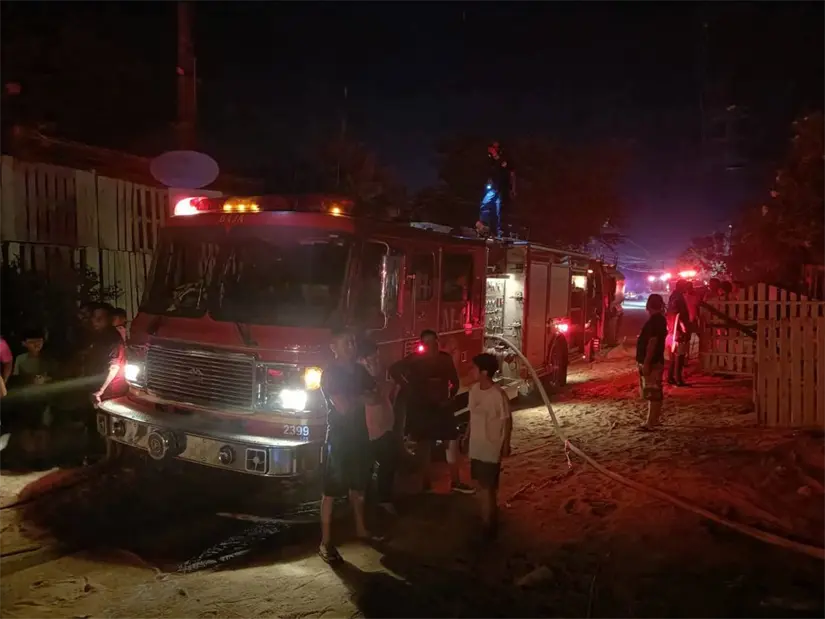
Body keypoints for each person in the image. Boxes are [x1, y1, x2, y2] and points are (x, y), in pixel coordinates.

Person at [318, 328, 382, 565]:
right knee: (331, 491)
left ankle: (361, 529)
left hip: (358, 435)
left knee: (359, 485)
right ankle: (326, 542)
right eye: (347, 342)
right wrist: (362, 397)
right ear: (334, 347)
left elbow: (376, 397)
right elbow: (343, 406)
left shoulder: (358, 370)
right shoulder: (331, 374)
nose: (352, 345)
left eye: (353, 341)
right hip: (339, 438)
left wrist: (359, 397)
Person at [390, 329, 474, 494]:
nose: (430, 346)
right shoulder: (414, 360)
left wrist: (450, 397)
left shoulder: (445, 359)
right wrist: (407, 387)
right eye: (426, 343)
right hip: (422, 408)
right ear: (422, 344)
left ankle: (455, 482)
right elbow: (393, 370)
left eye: (433, 342)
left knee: (451, 442)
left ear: (438, 341)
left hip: (442, 407)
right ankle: (425, 483)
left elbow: (454, 382)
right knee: (424, 445)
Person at [466, 353, 512, 540]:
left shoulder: (497, 395)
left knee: (487, 487)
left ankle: (488, 526)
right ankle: (487, 520)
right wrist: (467, 434)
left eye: (474, 368)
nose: (471, 371)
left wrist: (506, 444)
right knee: (482, 485)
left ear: (484, 372)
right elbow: (472, 415)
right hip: (476, 446)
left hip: (490, 446)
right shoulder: (474, 390)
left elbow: (507, 421)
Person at [357, 336, 398, 516]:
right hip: (370, 429)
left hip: (384, 426)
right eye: (372, 359)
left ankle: (382, 500)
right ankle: (370, 504)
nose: (376, 361)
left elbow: (390, 389)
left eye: (377, 357)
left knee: (388, 463)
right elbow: (372, 399)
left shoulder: (377, 373)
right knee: (370, 466)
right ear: (362, 359)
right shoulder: (359, 376)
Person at [637, 294, 668, 430]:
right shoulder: (660, 320)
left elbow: (652, 342)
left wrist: (647, 362)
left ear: (649, 305)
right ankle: (654, 419)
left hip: (653, 361)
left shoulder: (654, 321)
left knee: (652, 392)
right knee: (655, 390)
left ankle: (650, 422)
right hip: (656, 360)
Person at [666, 280, 691, 386]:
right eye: (685, 286)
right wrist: (683, 329)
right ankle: (678, 380)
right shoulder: (678, 298)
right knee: (679, 356)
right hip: (678, 331)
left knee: (673, 356)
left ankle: (670, 377)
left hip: (672, 330)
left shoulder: (673, 296)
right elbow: (678, 315)